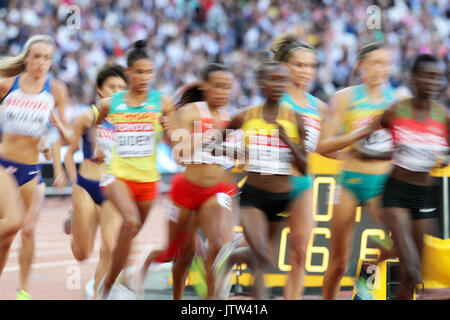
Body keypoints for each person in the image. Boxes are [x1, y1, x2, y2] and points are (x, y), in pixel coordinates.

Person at [216, 61, 308, 299]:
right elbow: (214, 146)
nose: (278, 85)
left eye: (282, 81)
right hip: (253, 197)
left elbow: (304, 167)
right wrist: (239, 154)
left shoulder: (295, 119)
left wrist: (287, 140)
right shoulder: (246, 116)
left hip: (281, 199)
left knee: (262, 256)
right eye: (273, 80)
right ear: (261, 83)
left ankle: (234, 257)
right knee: (260, 258)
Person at [95, 40, 175, 300]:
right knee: (129, 222)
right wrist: (96, 144)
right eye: (139, 72)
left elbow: (176, 145)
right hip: (117, 176)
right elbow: (90, 123)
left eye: (149, 72)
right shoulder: (112, 103)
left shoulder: (162, 103)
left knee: (126, 239)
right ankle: (107, 290)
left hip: (149, 182)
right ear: (128, 73)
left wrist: (171, 131)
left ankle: (111, 283)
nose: (145, 77)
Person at [320, 42, 399, 300]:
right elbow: (323, 145)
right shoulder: (345, 98)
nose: (381, 69)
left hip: (382, 183)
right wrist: (356, 137)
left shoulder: (396, 100)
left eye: (386, 63)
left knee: (397, 241)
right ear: (360, 65)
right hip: (350, 182)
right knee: (339, 260)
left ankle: (364, 287)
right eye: (375, 62)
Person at [0, 35, 71, 296]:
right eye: (37, 56)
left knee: (24, 233)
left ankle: (23, 291)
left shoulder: (57, 90)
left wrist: (57, 150)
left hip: (31, 171)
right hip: (3, 165)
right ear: (26, 58)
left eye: (47, 58)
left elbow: (65, 135)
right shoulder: (8, 84)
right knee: (11, 224)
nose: (41, 62)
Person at [377, 54, 447, 299]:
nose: (432, 81)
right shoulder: (396, 110)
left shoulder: (442, 116)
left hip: (425, 199)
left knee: (412, 275)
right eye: (427, 75)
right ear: (414, 79)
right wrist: (372, 154)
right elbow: (369, 139)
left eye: (437, 77)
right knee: (411, 265)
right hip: (396, 193)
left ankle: (382, 251)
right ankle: (383, 251)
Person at [270, 33, 329, 299]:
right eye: (300, 65)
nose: (306, 72)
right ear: (285, 67)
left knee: (301, 253)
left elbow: (329, 149)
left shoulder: (321, 108)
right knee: (258, 253)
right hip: (270, 183)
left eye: (311, 66)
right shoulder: (273, 102)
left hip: (302, 185)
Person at [61, 64, 127, 298]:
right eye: (111, 87)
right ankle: (74, 218)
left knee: (110, 247)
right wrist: (71, 182)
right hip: (86, 187)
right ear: (100, 89)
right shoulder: (88, 116)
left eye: (121, 88)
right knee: (82, 253)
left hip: (113, 190)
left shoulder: (128, 120)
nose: (116, 92)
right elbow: (68, 153)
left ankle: (99, 296)